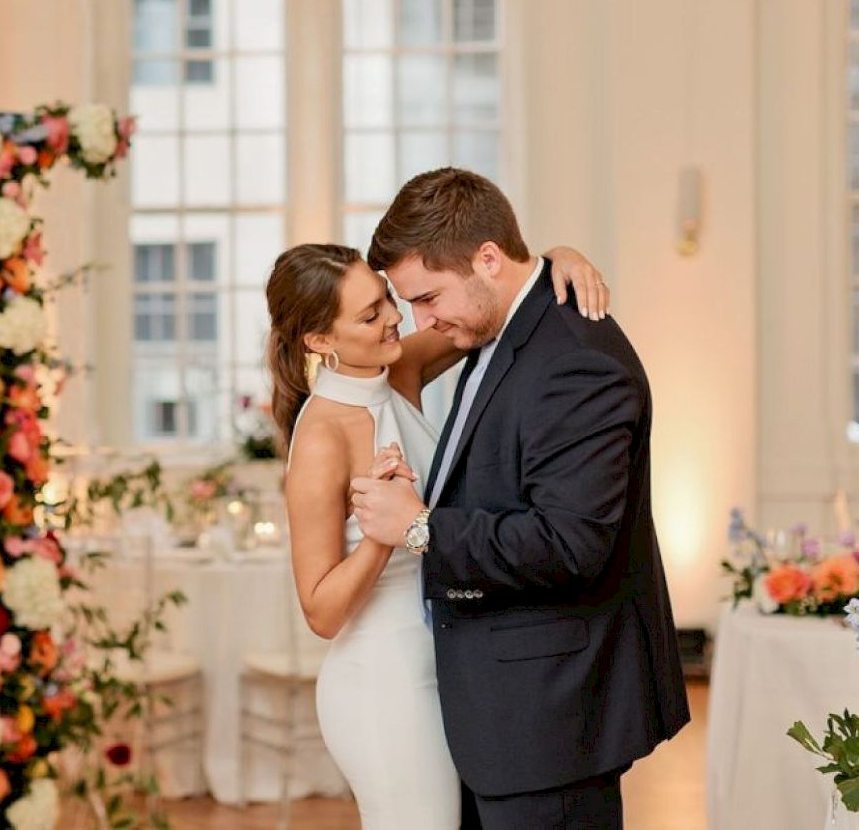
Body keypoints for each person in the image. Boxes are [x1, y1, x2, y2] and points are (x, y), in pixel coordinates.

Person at [349, 167, 690, 829]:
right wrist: (553, 254)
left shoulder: (574, 361)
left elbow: (571, 545)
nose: (422, 319)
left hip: (551, 718)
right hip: (506, 713)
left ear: (487, 259)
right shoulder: (497, 322)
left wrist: (420, 529)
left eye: (428, 296)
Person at [264, 236, 609, 829]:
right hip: (383, 683)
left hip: (444, 663)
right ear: (320, 341)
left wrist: (559, 259)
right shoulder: (323, 435)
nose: (395, 318)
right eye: (370, 314)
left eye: (388, 300)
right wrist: (382, 531)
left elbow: (493, 306)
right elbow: (320, 612)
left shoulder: (396, 367)